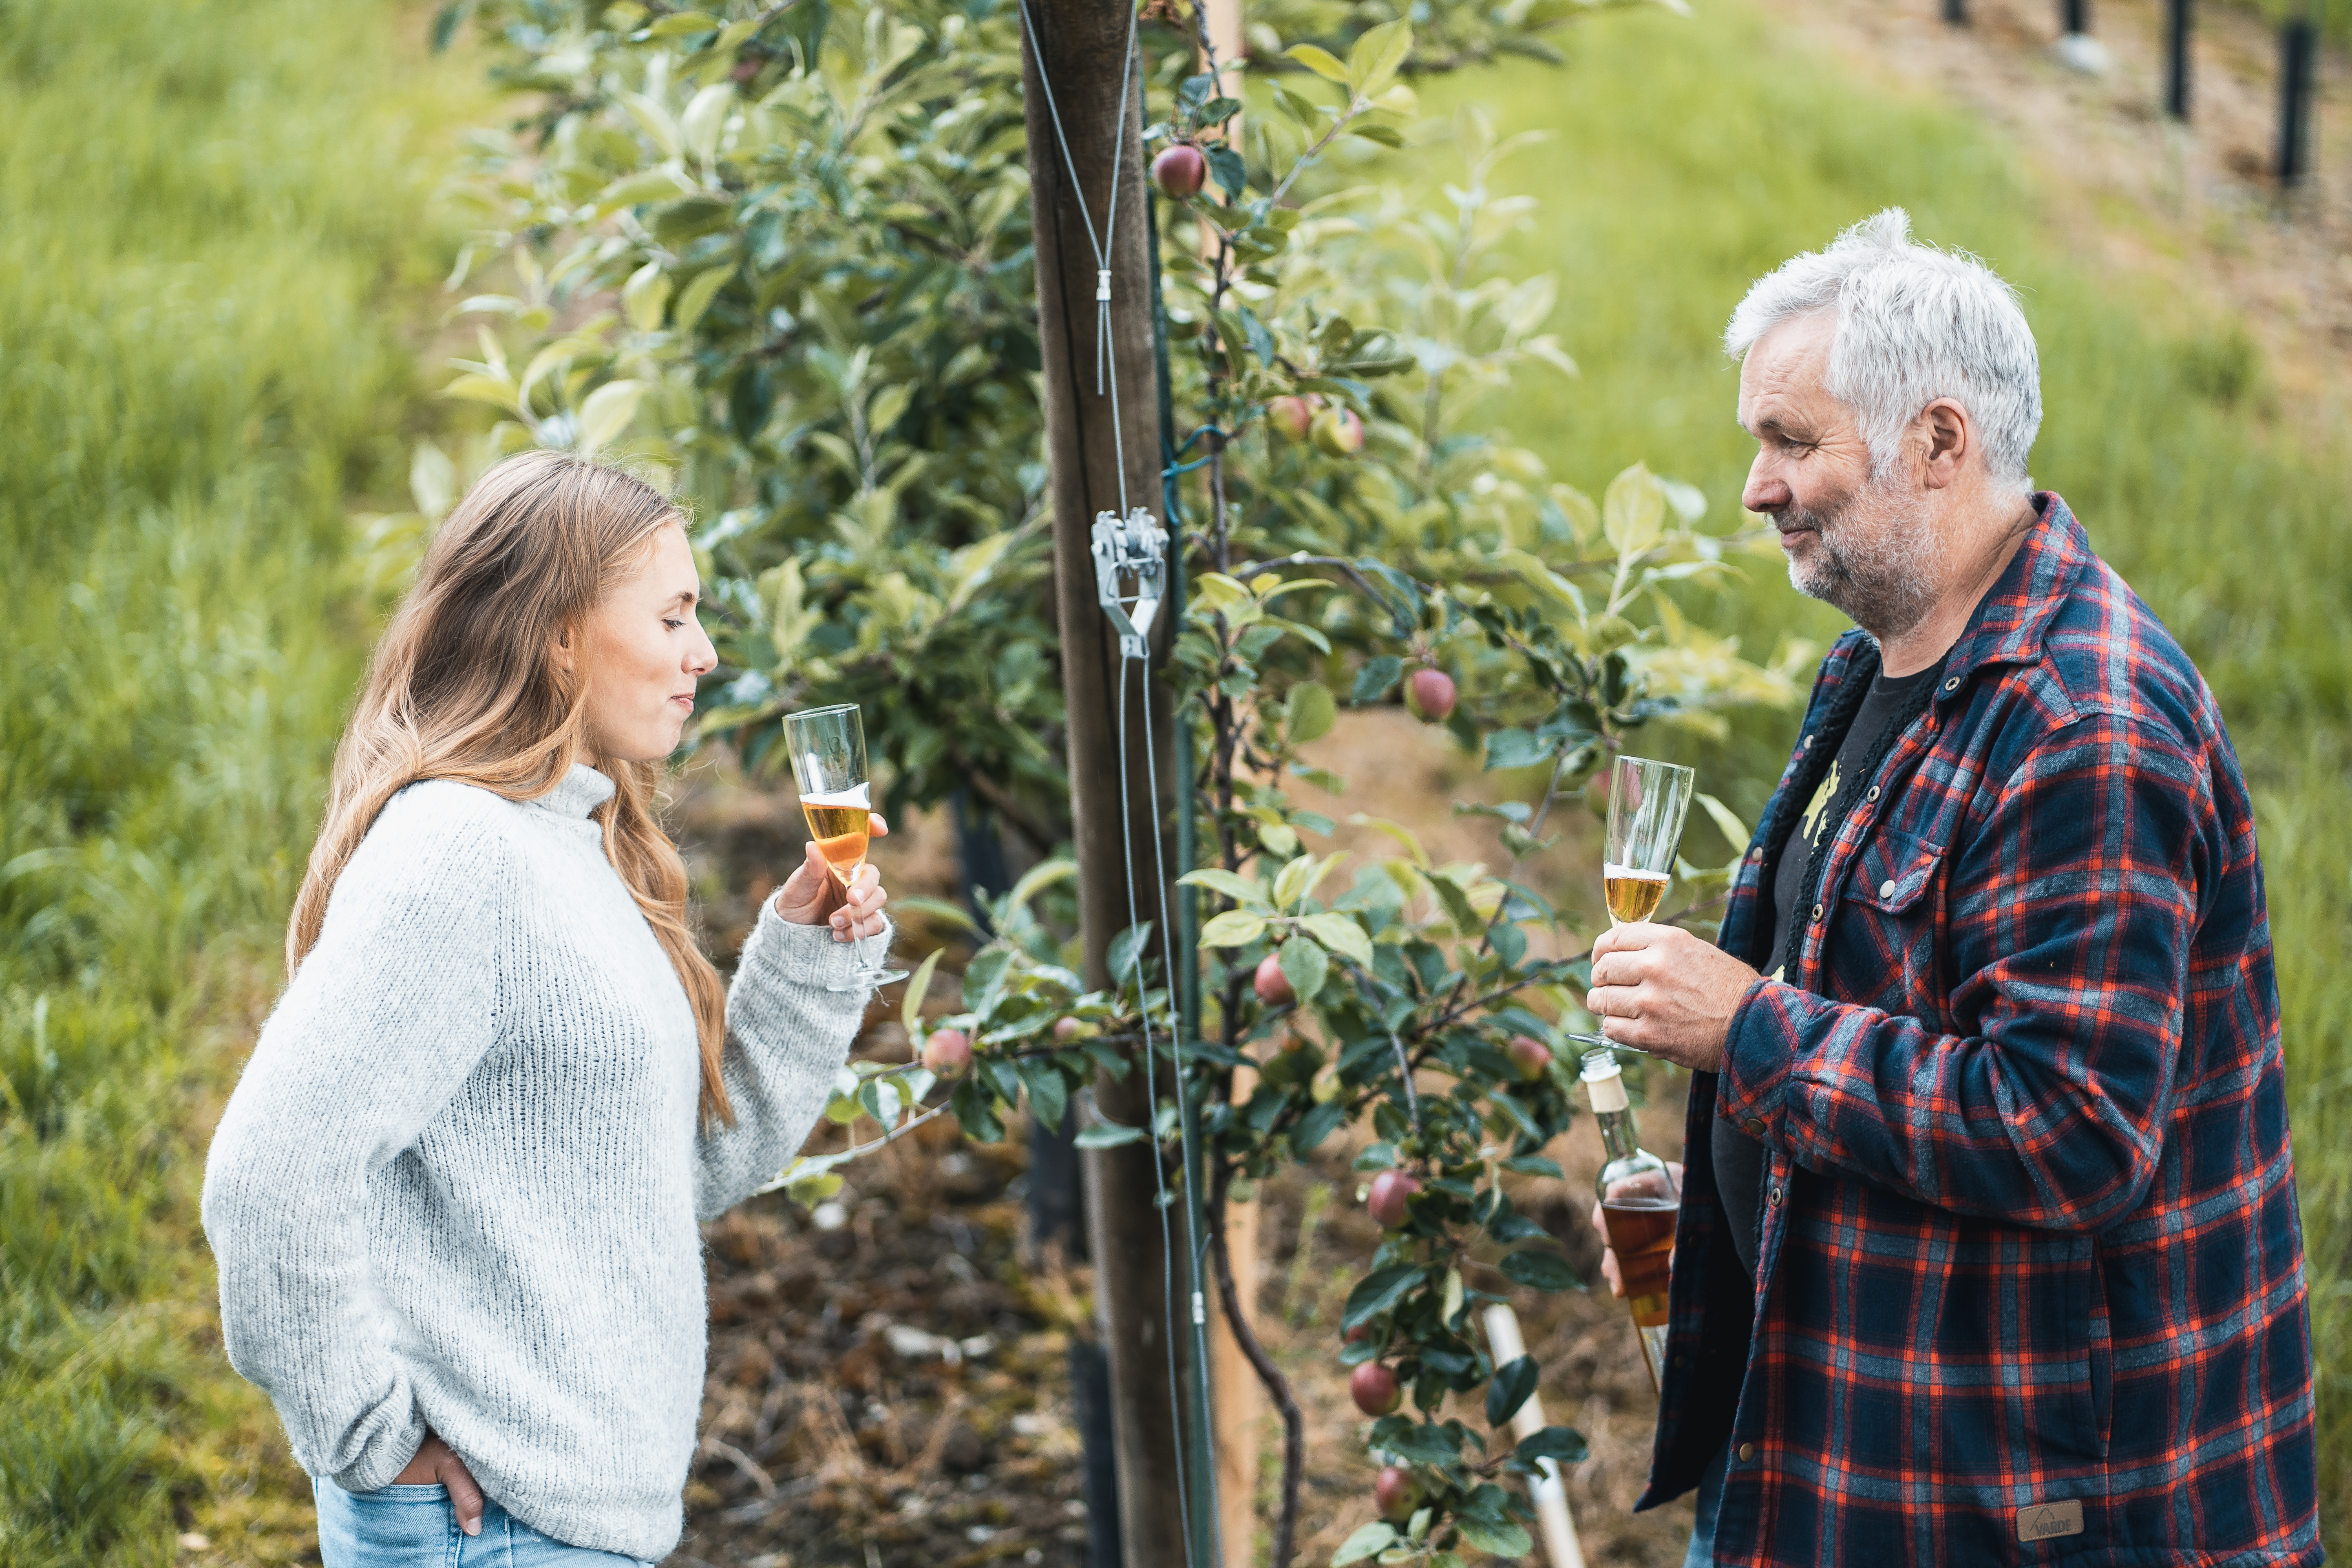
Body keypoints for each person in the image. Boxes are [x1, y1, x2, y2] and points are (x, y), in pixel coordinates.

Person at [1582, 212, 2319, 1565]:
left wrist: (1744, 1030)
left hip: (2026, 1503)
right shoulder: (1890, 660)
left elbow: (2068, 1130)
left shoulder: (2082, 726)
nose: (1755, 487)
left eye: (1792, 443)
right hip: (1840, 1435)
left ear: (1937, 441)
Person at [201, 451, 892, 1566]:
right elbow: (270, 1181)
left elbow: (668, 1178)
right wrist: (369, 1436)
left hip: (554, 1524)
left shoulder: (568, 841)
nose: (703, 654)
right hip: (497, 1533)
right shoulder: (457, 858)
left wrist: (806, 960)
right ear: (558, 632)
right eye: (672, 616)